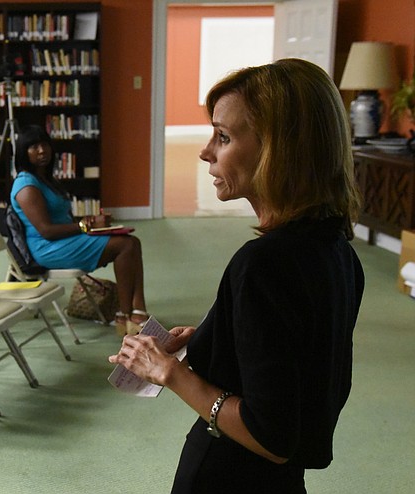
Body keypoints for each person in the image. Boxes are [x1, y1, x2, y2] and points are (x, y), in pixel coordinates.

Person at [108, 59, 365, 493]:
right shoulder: (336, 250)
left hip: (230, 477)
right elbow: (298, 364)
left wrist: (167, 370)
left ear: (277, 149)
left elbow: (273, 435)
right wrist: (217, 335)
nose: (206, 151)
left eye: (223, 137)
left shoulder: (263, 264)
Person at [11, 125, 148, 335]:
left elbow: (62, 219)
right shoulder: (26, 185)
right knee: (125, 245)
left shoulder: (46, 179)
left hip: (63, 240)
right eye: (33, 146)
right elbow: (46, 230)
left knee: (132, 242)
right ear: (23, 152)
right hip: (47, 248)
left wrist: (93, 223)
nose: (41, 150)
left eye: (44, 144)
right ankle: (127, 313)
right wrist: (85, 226)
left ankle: (135, 309)